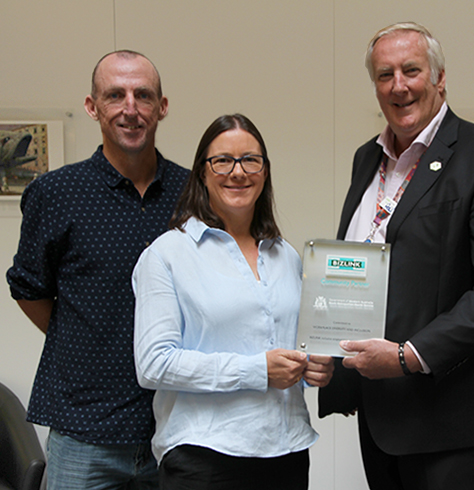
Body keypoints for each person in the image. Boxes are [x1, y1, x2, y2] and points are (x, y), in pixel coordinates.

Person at [318, 22, 474, 490]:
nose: (399, 85)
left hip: (449, 415)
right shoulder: (367, 158)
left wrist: (408, 356)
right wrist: (330, 357)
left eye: (411, 70)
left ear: (439, 78)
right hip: (380, 411)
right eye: (384, 74)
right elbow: (359, 264)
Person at [5, 50, 189, 489]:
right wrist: (83, 337)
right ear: (92, 106)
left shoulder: (191, 193)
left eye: (143, 95)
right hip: (84, 430)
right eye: (115, 95)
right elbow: (28, 288)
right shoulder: (55, 192)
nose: (130, 108)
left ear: (162, 106)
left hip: (175, 426)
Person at [132, 113, 334, 490]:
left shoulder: (285, 255)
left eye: (250, 160)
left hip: (287, 452)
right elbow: (153, 364)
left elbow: (286, 347)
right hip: (204, 459)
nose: (238, 172)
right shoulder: (168, 254)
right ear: (202, 172)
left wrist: (313, 370)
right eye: (222, 160)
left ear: (265, 171)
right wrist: (257, 371)